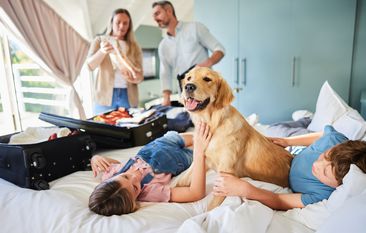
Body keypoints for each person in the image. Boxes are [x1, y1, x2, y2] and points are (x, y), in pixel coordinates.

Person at [213, 125, 366, 210]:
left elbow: (280, 201)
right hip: (292, 153)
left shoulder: (323, 194)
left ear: (338, 185)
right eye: (324, 156)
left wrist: (245, 189)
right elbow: (323, 135)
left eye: (325, 172)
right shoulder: (336, 142)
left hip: (286, 170)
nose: (317, 165)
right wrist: (288, 142)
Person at [88, 122, 212, 216]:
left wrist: (96, 158)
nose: (135, 176)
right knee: (209, 143)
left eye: (125, 176)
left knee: (200, 133)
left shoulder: (110, 176)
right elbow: (195, 193)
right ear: (133, 203)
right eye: (135, 187)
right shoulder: (149, 192)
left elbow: (116, 164)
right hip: (178, 159)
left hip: (162, 144)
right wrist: (199, 153)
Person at [152, 1, 225, 106]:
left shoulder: (195, 28)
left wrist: (204, 65)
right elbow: (165, 73)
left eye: (157, 13)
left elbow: (220, 50)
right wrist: (166, 98)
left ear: (168, 11)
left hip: (204, 90)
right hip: (184, 95)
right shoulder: (163, 46)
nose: (155, 18)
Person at [87, 8, 143, 114]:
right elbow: (89, 66)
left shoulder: (135, 47)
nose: (122, 26)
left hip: (128, 97)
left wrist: (134, 77)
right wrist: (102, 51)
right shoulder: (100, 41)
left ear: (129, 25)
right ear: (112, 23)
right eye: (118, 22)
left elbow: (140, 77)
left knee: (127, 129)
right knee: (102, 128)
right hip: (104, 97)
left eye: (125, 23)